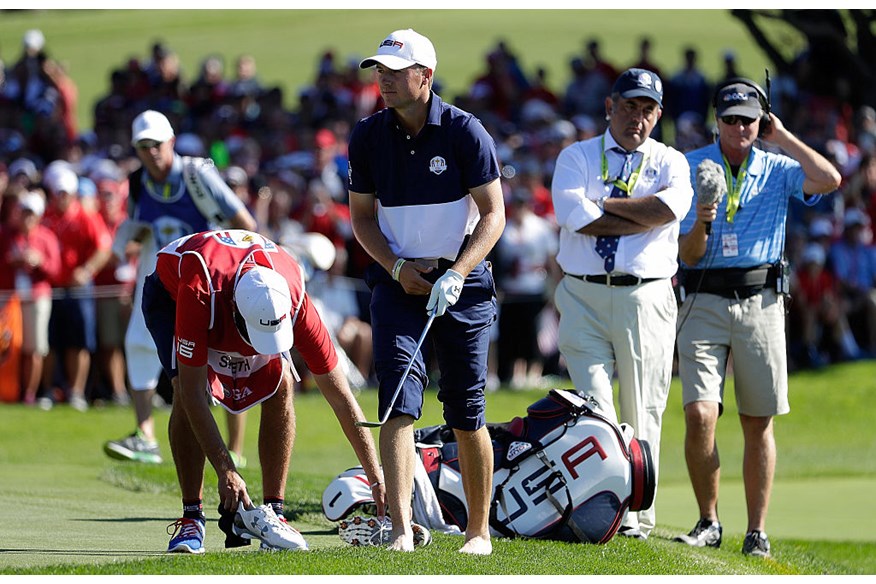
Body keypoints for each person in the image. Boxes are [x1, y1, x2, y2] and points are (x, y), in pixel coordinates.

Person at [348, 28, 504, 555]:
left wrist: (458, 271)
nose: (383, 80)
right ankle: (400, 530)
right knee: (397, 403)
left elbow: (494, 213)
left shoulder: (465, 131)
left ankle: (478, 533)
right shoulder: (368, 136)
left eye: (395, 71)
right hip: (397, 284)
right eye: (379, 71)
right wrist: (394, 269)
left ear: (426, 76)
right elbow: (362, 219)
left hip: (463, 283)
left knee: (466, 408)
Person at [674, 79, 841, 557]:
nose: (739, 127)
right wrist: (703, 219)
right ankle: (709, 520)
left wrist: (782, 136)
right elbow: (688, 254)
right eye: (730, 119)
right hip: (703, 297)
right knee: (700, 413)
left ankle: (756, 531)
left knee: (757, 421)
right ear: (717, 122)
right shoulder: (691, 167)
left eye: (749, 119)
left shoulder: (776, 165)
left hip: (762, 300)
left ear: (761, 121)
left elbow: (829, 180)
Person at [142, 229, 384, 554]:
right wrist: (226, 470)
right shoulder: (201, 288)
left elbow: (342, 397)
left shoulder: (294, 296)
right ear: (236, 315)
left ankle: (274, 511)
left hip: (243, 288)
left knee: (283, 383)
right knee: (184, 390)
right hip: (170, 295)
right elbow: (192, 394)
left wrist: (376, 477)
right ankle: (191, 518)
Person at [551, 67, 693, 540]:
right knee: (595, 407)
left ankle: (636, 516)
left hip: (645, 295)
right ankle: (603, 505)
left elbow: (667, 211)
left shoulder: (672, 161)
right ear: (610, 106)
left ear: (658, 114)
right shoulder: (577, 156)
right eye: (630, 105)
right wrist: (639, 214)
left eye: (648, 108)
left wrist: (603, 205)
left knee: (643, 406)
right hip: (583, 292)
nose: (638, 117)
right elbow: (576, 218)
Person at [103, 110, 257, 465]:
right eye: (143, 146)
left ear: (170, 142)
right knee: (138, 344)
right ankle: (145, 435)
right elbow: (138, 227)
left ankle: (234, 450)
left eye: (156, 144)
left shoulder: (197, 173)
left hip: (209, 279)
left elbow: (243, 221)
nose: (151, 152)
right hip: (159, 276)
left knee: (227, 356)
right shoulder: (139, 181)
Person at [41, 165, 113, 411]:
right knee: (49, 342)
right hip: (52, 287)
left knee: (79, 341)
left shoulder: (85, 217)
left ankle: (77, 392)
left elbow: (104, 247)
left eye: (65, 193)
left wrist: (87, 270)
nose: (61, 198)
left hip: (79, 288)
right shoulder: (47, 216)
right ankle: (49, 390)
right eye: (57, 193)